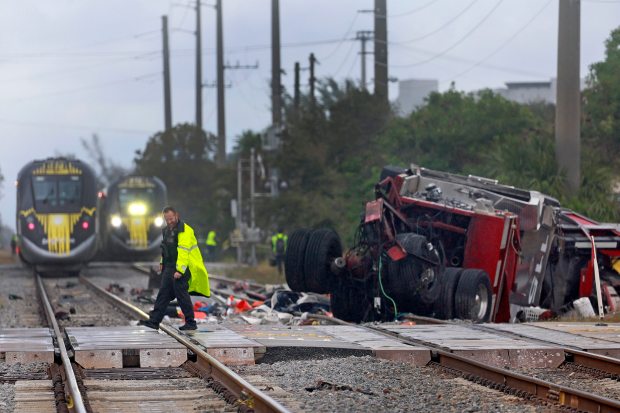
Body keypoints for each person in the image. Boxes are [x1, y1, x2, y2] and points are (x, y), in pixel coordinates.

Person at [140, 206, 210, 331]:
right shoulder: (167, 230)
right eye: (167, 220)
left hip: (182, 268)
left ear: (176, 215)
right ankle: (154, 321)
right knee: (163, 294)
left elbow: (183, 251)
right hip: (169, 267)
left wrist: (180, 271)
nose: (169, 221)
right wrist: (162, 262)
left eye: (171, 219)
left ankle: (191, 322)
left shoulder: (185, 230)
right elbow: (166, 249)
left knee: (181, 295)